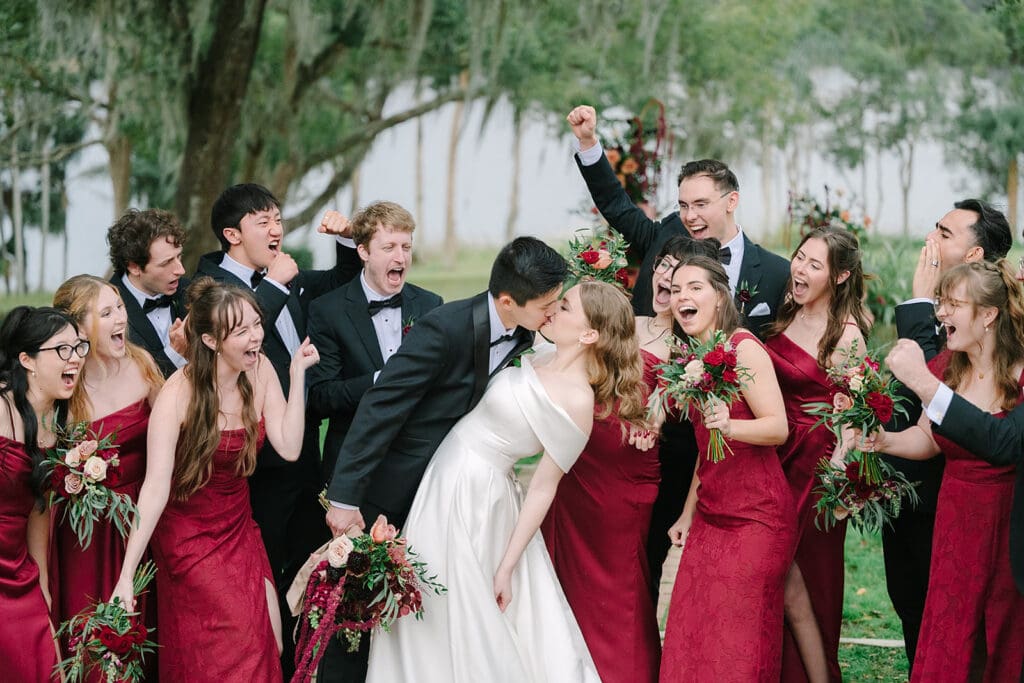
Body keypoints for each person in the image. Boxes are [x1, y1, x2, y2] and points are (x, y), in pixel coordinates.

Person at [367, 280, 643, 682]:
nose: (553, 309)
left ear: (589, 334)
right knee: (424, 590)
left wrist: (507, 566)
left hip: (479, 497)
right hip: (442, 476)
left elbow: (544, 487)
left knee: (466, 603)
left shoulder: (578, 401)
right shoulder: (538, 351)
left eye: (565, 306)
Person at [322, 236, 567, 683]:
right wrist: (344, 497)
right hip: (394, 487)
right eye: (546, 305)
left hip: (454, 499)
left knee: (426, 615)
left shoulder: (528, 334)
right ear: (508, 301)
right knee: (357, 615)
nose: (553, 313)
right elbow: (382, 405)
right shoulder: (445, 328)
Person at [109, 278, 321, 682]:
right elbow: (154, 489)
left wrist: (297, 376)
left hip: (239, 526)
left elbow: (290, 446)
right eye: (241, 331)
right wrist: (126, 576)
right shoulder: (178, 394)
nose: (255, 336)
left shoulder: (260, 370)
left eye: (256, 324)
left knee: (269, 642)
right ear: (210, 341)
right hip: (187, 536)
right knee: (229, 648)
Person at [195, 183, 359, 674]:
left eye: (278, 219)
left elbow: (343, 281)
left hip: (303, 449)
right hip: (250, 463)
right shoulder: (207, 283)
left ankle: (304, 667)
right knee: (262, 573)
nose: (276, 229)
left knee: (312, 567)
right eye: (263, 221)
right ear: (232, 234)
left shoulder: (286, 273)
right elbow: (231, 333)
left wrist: (346, 239)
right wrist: (276, 286)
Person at [866, 261, 1024, 681]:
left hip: (1007, 524)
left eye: (954, 304)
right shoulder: (948, 367)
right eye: (941, 302)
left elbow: (1004, 444)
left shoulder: (1020, 373)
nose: (941, 313)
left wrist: (922, 381)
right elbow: (928, 437)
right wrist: (884, 441)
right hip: (955, 521)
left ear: (988, 314)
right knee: (952, 626)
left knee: (1001, 629)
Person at [659, 255, 797, 682]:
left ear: (720, 297)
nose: (682, 296)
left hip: (757, 516)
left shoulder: (743, 348)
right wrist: (687, 513)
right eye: (676, 289)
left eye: (694, 287)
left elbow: (778, 428)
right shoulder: (694, 358)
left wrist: (730, 425)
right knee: (691, 632)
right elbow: (708, 450)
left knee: (735, 644)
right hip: (710, 514)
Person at [541, 269, 674, 682]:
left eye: (565, 305)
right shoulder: (555, 352)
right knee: (562, 588)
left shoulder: (646, 366)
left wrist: (653, 420)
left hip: (619, 492)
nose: (554, 309)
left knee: (619, 595)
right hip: (571, 487)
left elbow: (660, 402)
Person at [566, 104, 789, 336]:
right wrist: (588, 142)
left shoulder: (777, 272)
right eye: (684, 205)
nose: (690, 216)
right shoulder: (666, 234)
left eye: (701, 204)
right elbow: (616, 204)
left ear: (731, 202)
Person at [764, 227, 870, 683]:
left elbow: (854, 418)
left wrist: (839, 478)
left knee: (811, 577)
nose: (800, 269)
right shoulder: (786, 311)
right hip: (773, 456)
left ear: (840, 276)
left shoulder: (846, 337)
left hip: (817, 471)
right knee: (772, 572)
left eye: (814, 264)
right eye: (799, 257)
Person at [50, 275, 165, 676]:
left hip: (140, 518)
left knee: (136, 629)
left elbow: (173, 437)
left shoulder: (142, 364)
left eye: (119, 306)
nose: (121, 317)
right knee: (88, 629)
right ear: (79, 328)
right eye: (106, 312)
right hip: (86, 531)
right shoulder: (67, 386)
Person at [307, 201, 443, 480]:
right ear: (363, 252)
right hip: (353, 461)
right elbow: (321, 396)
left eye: (406, 247)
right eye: (389, 247)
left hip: (417, 461)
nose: (401, 258)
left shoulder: (430, 305)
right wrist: (380, 380)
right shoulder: (328, 310)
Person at [0, 306, 86, 681]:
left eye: (79, 347)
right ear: (27, 360)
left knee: (40, 657)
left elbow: (39, 508)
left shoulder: (56, 425)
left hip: (17, 568)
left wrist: (43, 588)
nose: (75, 358)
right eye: (62, 349)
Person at [640, 236, 722, 599]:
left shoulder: (697, 351)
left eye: (679, 276)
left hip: (666, 470)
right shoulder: (629, 323)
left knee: (645, 562)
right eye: (664, 264)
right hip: (610, 462)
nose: (665, 276)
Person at [107, 208, 189, 378]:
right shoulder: (105, 312)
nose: (180, 270)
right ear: (134, 267)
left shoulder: (191, 292)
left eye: (179, 256)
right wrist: (175, 353)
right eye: (166, 263)